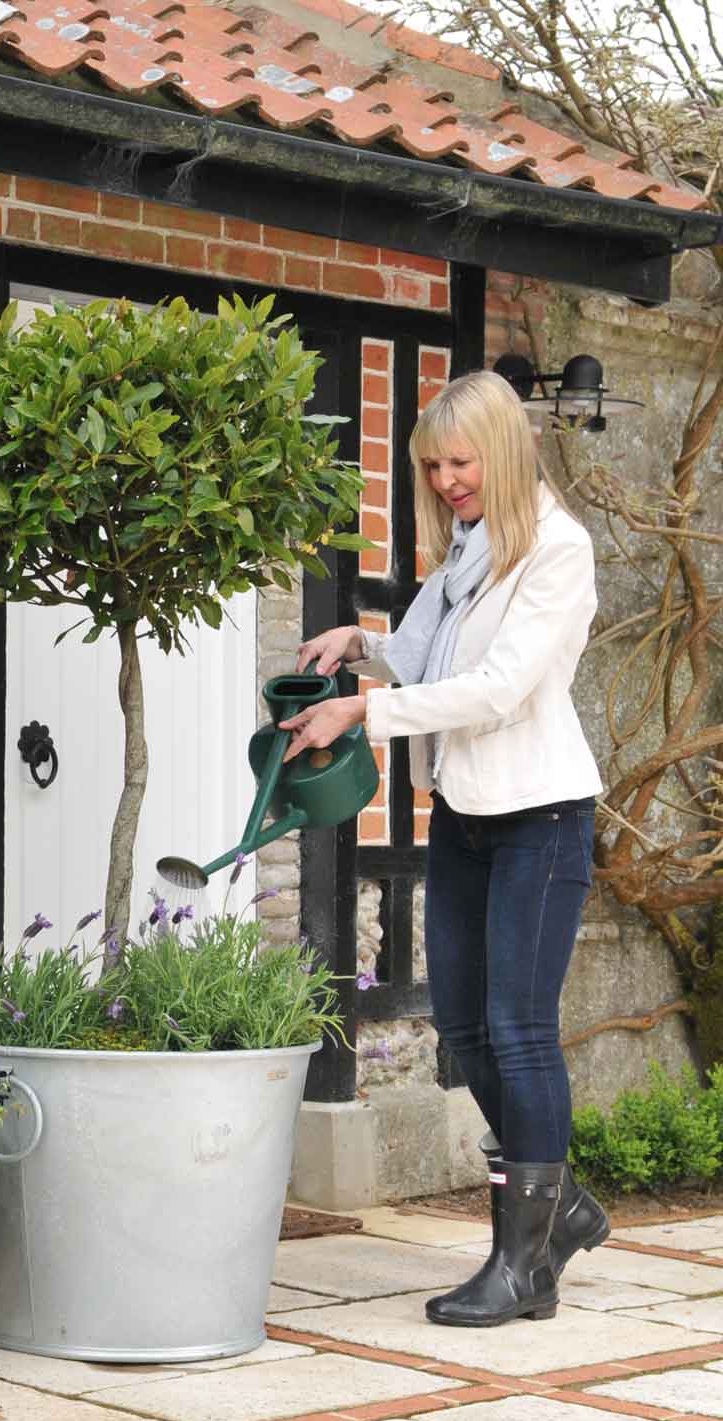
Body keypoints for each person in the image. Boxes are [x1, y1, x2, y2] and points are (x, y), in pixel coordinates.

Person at [282, 369, 607, 1329]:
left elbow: (499, 688)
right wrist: (363, 647)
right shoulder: (469, 551)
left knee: (519, 1029)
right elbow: (425, 660)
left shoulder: (557, 551)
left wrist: (364, 710)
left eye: (461, 461)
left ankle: (524, 1267)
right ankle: (565, 1210)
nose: (448, 479)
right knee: (463, 1030)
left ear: (502, 450)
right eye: (433, 465)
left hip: (543, 814)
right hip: (466, 811)